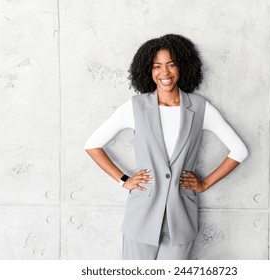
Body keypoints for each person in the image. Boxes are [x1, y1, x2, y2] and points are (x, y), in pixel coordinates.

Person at [84, 34, 249, 260]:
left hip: (181, 217)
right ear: (148, 71)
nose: (165, 73)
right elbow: (92, 145)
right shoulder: (135, 107)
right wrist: (124, 180)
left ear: (182, 67)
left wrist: (204, 184)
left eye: (171, 65)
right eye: (157, 66)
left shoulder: (200, 108)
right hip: (141, 214)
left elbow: (239, 150)